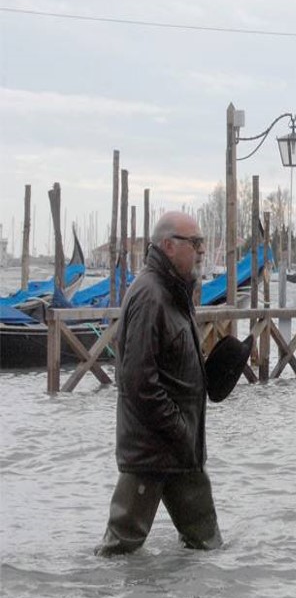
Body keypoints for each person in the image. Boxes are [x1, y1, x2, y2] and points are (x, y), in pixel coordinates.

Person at [95, 211, 223, 556]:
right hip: (151, 453)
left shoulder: (176, 293)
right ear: (168, 246)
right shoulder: (150, 296)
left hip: (182, 452)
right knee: (118, 552)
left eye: (202, 242)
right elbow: (137, 382)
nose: (201, 250)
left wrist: (217, 373)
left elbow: (174, 366)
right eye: (194, 242)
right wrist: (179, 428)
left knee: (207, 548)